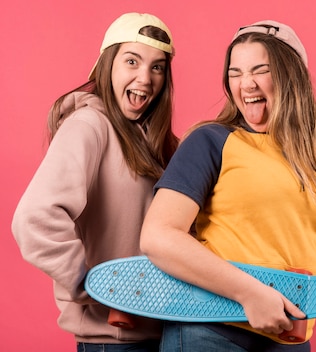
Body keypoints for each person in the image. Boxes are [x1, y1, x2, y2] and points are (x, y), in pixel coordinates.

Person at [139, 20, 316, 352]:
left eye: (260, 70)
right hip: (210, 333)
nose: (246, 84)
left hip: (292, 338)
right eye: (235, 73)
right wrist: (250, 294)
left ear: (293, 77)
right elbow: (158, 237)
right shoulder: (211, 141)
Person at [12, 12, 178, 352]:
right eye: (132, 61)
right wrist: (96, 286)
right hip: (113, 339)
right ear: (107, 65)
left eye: (157, 67)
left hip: (160, 332)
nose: (145, 78)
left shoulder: (157, 142)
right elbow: (33, 220)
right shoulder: (89, 126)